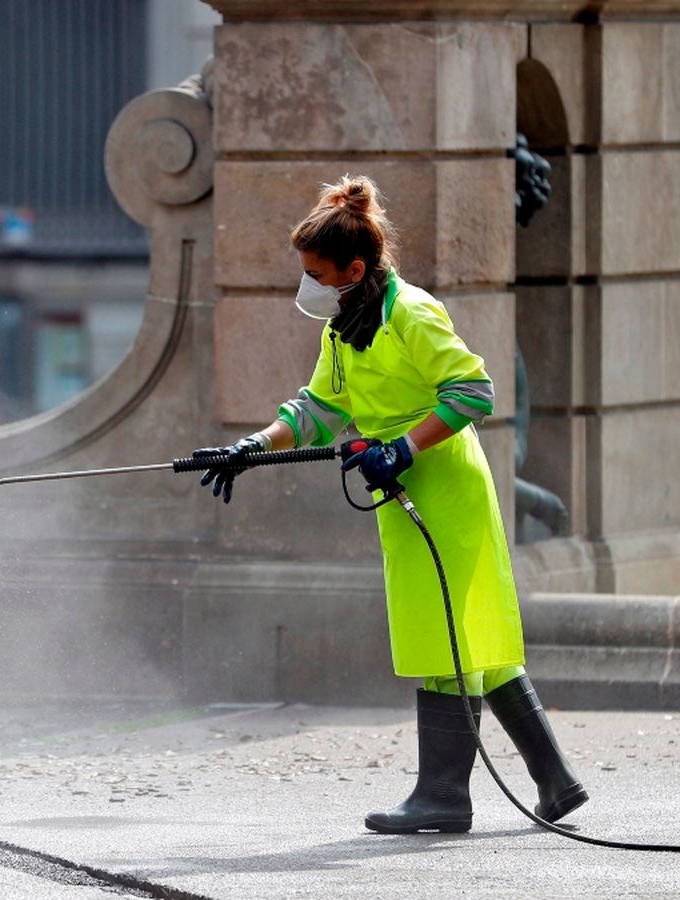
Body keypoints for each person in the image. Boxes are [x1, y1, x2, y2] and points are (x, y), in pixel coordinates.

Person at [194, 175, 587, 835]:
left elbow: (473, 391)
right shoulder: (345, 327)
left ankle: (442, 796)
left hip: (446, 489)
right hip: (404, 491)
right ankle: (556, 782)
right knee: (473, 640)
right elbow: (319, 409)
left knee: (445, 639)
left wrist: (402, 448)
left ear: (355, 269)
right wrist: (252, 446)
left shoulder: (412, 313)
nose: (308, 286)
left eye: (318, 274)